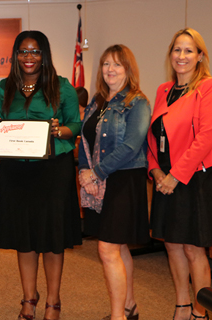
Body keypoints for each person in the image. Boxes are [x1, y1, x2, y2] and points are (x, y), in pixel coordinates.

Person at [0, 30, 82, 320]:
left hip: (53, 171)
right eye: (23, 51)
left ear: (44, 55)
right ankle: (29, 297)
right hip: (16, 172)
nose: (28, 57)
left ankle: (53, 302)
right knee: (24, 237)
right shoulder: (4, 88)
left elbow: (75, 126)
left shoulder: (62, 87)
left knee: (52, 238)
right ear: (16, 55)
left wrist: (59, 130)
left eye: (34, 51)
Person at [78, 44, 151, 320]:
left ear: (128, 69)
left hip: (123, 181)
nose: (110, 69)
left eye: (117, 64)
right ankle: (129, 307)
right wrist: (85, 175)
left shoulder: (137, 102)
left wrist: (96, 172)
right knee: (117, 246)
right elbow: (85, 142)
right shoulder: (97, 101)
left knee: (107, 248)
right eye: (106, 63)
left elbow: (132, 146)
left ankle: (118, 316)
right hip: (98, 180)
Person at [147, 28, 212, 320]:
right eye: (177, 49)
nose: (181, 56)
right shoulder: (164, 89)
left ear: (200, 56)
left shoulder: (207, 88)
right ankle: (183, 306)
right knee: (172, 244)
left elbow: (207, 137)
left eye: (189, 50)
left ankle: (201, 311)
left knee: (193, 249)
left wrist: (175, 175)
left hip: (193, 180)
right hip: (165, 180)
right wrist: (156, 171)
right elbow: (153, 137)